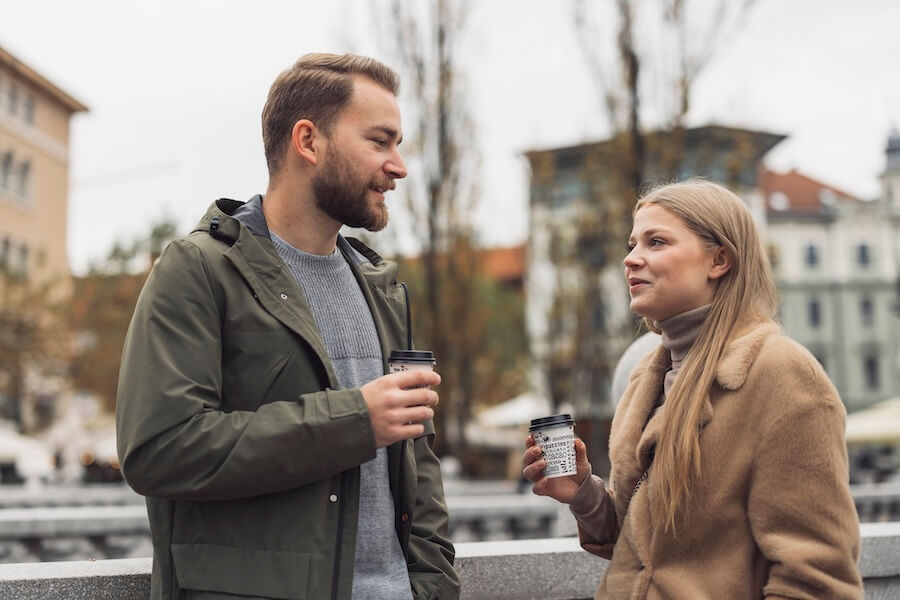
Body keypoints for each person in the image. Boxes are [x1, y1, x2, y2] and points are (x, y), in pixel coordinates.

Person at [116, 53, 459, 600]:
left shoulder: (382, 288)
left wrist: (432, 587)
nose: (399, 166)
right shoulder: (199, 269)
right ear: (308, 141)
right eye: (380, 141)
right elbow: (160, 449)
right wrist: (353, 422)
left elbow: (417, 464)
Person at [522, 179, 862, 599]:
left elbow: (817, 579)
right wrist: (584, 494)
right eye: (632, 245)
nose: (631, 259)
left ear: (719, 260)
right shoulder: (646, 374)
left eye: (656, 242)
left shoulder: (782, 375)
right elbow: (648, 551)